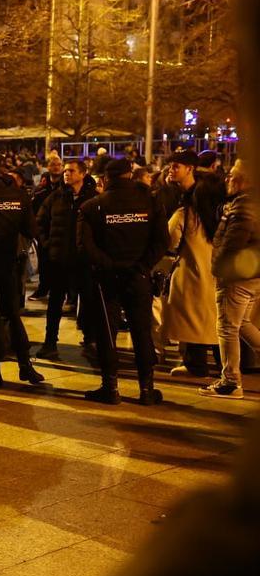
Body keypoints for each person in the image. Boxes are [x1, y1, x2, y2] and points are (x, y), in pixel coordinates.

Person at [78, 157, 168, 405]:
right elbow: (162, 241)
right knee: (142, 331)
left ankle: (110, 387)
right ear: (131, 175)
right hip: (138, 276)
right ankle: (147, 389)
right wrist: (141, 266)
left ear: (105, 179)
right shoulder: (150, 201)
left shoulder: (92, 206)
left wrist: (110, 265)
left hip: (106, 278)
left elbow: (85, 246)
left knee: (107, 332)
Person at [0, 153, 46, 388]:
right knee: (12, 314)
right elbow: (31, 229)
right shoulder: (18, 194)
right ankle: (25, 364)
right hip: (9, 263)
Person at [164, 149, 224, 378]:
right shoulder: (205, 194)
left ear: (189, 168)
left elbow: (170, 239)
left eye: (176, 166)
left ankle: (198, 365)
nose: (171, 170)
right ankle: (219, 365)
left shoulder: (191, 204)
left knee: (195, 316)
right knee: (211, 318)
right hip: (212, 265)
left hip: (195, 266)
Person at [204, 158, 260, 399]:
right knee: (243, 324)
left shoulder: (243, 208)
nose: (227, 178)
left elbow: (230, 244)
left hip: (236, 277)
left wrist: (218, 270)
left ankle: (230, 382)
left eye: (232, 175)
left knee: (227, 328)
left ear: (245, 181)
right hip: (251, 275)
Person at [35, 159, 97, 360]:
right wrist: (47, 245)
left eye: (71, 171)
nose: (66, 174)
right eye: (65, 171)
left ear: (83, 174)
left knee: (88, 301)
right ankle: (50, 342)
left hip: (84, 261)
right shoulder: (56, 197)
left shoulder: (93, 199)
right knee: (55, 303)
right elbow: (40, 223)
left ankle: (90, 341)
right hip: (59, 260)